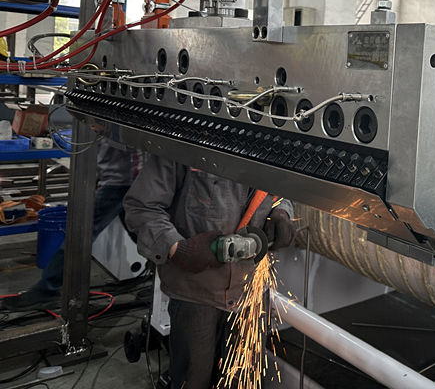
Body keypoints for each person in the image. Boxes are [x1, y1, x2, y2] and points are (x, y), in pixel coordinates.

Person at [123, 155, 297, 389]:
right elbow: (141, 207)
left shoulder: (274, 147)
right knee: (193, 380)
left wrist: (282, 212)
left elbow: (281, 193)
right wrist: (178, 249)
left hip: (251, 290)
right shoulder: (184, 144)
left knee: (243, 381)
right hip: (196, 295)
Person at [1, 132, 145, 311]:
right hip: (117, 180)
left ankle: (47, 290)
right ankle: (156, 274)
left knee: (79, 234)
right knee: (139, 233)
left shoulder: (118, 124)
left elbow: (130, 147)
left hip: (121, 184)